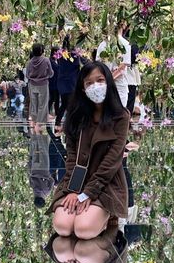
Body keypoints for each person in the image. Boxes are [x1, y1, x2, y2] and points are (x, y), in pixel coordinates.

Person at [48, 61, 130, 239]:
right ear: (83, 89)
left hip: (105, 184)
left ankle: (108, 215)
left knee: (83, 229)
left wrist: (88, 193)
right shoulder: (76, 117)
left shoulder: (120, 116)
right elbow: (71, 157)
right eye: (89, 83)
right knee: (63, 227)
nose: (96, 86)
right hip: (77, 180)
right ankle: (88, 213)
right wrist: (73, 190)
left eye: (100, 80)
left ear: (109, 81)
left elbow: (113, 160)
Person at [55, 36, 82, 133]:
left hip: (62, 83)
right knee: (71, 104)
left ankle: (58, 122)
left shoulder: (60, 54)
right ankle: (70, 125)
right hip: (71, 83)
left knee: (64, 103)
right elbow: (77, 67)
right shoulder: (75, 54)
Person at [26, 43, 53, 133]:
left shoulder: (29, 62)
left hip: (32, 84)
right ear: (41, 51)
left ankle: (33, 121)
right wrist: (46, 76)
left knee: (34, 103)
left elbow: (27, 75)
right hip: (43, 84)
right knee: (43, 104)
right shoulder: (46, 60)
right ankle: (39, 124)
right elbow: (50, 73)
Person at [49, 46, 61, 118]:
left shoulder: (58, 60)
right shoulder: (50, 60)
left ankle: (57, 113)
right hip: (52, 82)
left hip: (58, 82)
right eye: (57, 51)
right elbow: (56, 69)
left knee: (57, 98)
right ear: (54, 52)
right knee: (52, 98)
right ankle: (47, 112)